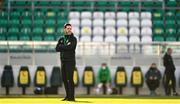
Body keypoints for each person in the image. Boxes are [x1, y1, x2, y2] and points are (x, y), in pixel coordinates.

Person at [55, 23, 77, 101]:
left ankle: (72, 97)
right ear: (64, 29)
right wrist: (65, 47)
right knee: (64, 79)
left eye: (70, 28)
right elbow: (57, 48)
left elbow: (71, 47)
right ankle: (68, 96)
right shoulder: (61, 39)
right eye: (68, 28)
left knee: (70, 79)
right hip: (63, 61)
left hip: (70, 61)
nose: (69, 30)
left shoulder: (73, 39)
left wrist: (62, 47)